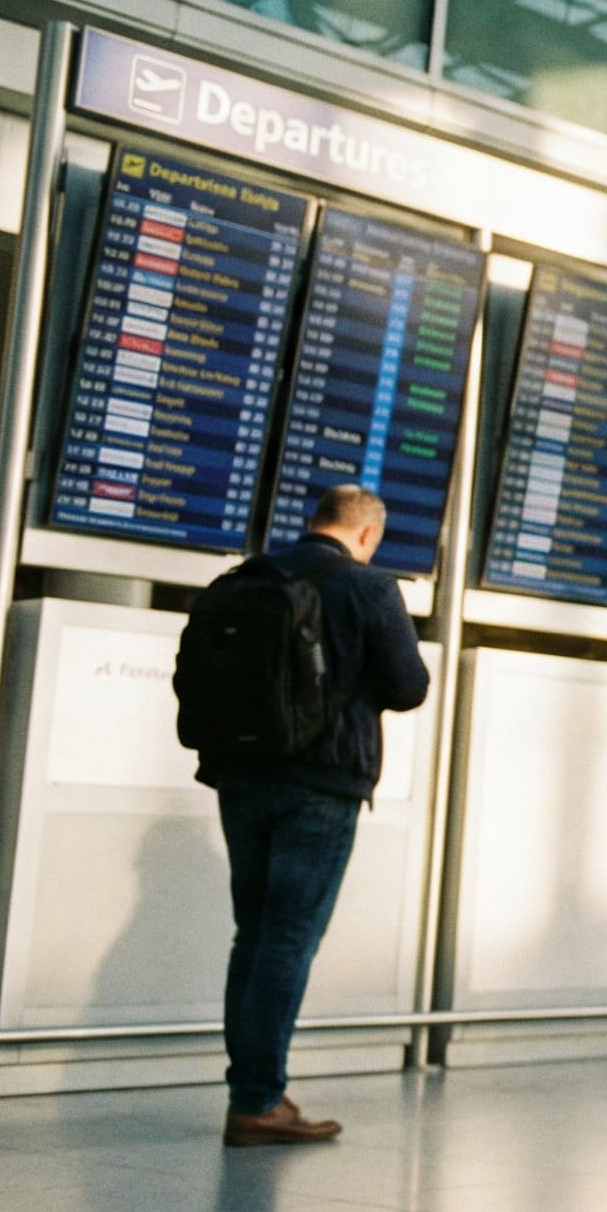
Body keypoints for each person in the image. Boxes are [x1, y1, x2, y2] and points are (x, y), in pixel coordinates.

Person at [196, 486, 429, 1146]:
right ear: (366, 534)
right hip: (322, 781)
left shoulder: (246, 577)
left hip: (239, 775)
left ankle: (255, 1091)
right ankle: (257, 1102)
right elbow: (409, 686)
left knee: (254, 935)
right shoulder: (368, 586)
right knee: (288, 939)